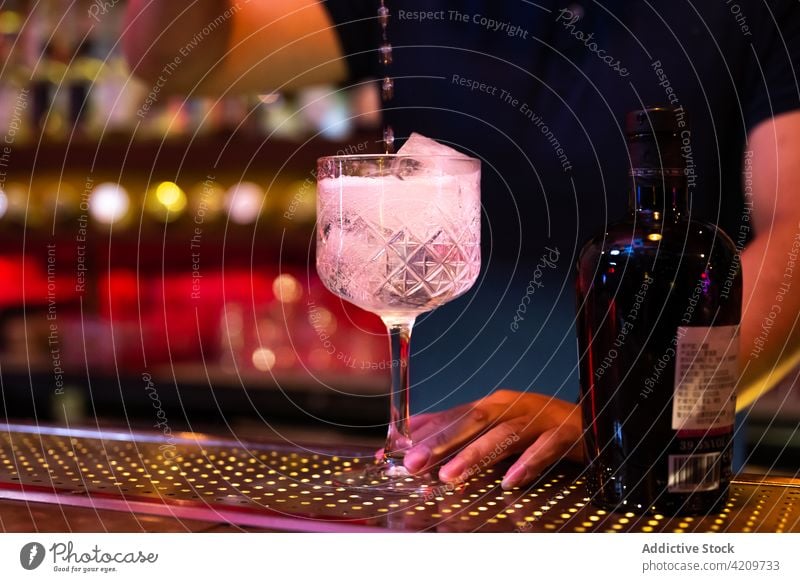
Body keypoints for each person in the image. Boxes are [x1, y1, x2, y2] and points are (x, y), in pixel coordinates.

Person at [124, 0, 800, 489]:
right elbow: (176, 59)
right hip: (437, 478)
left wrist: (626, 418)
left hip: (655, 475)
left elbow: (794, 236)